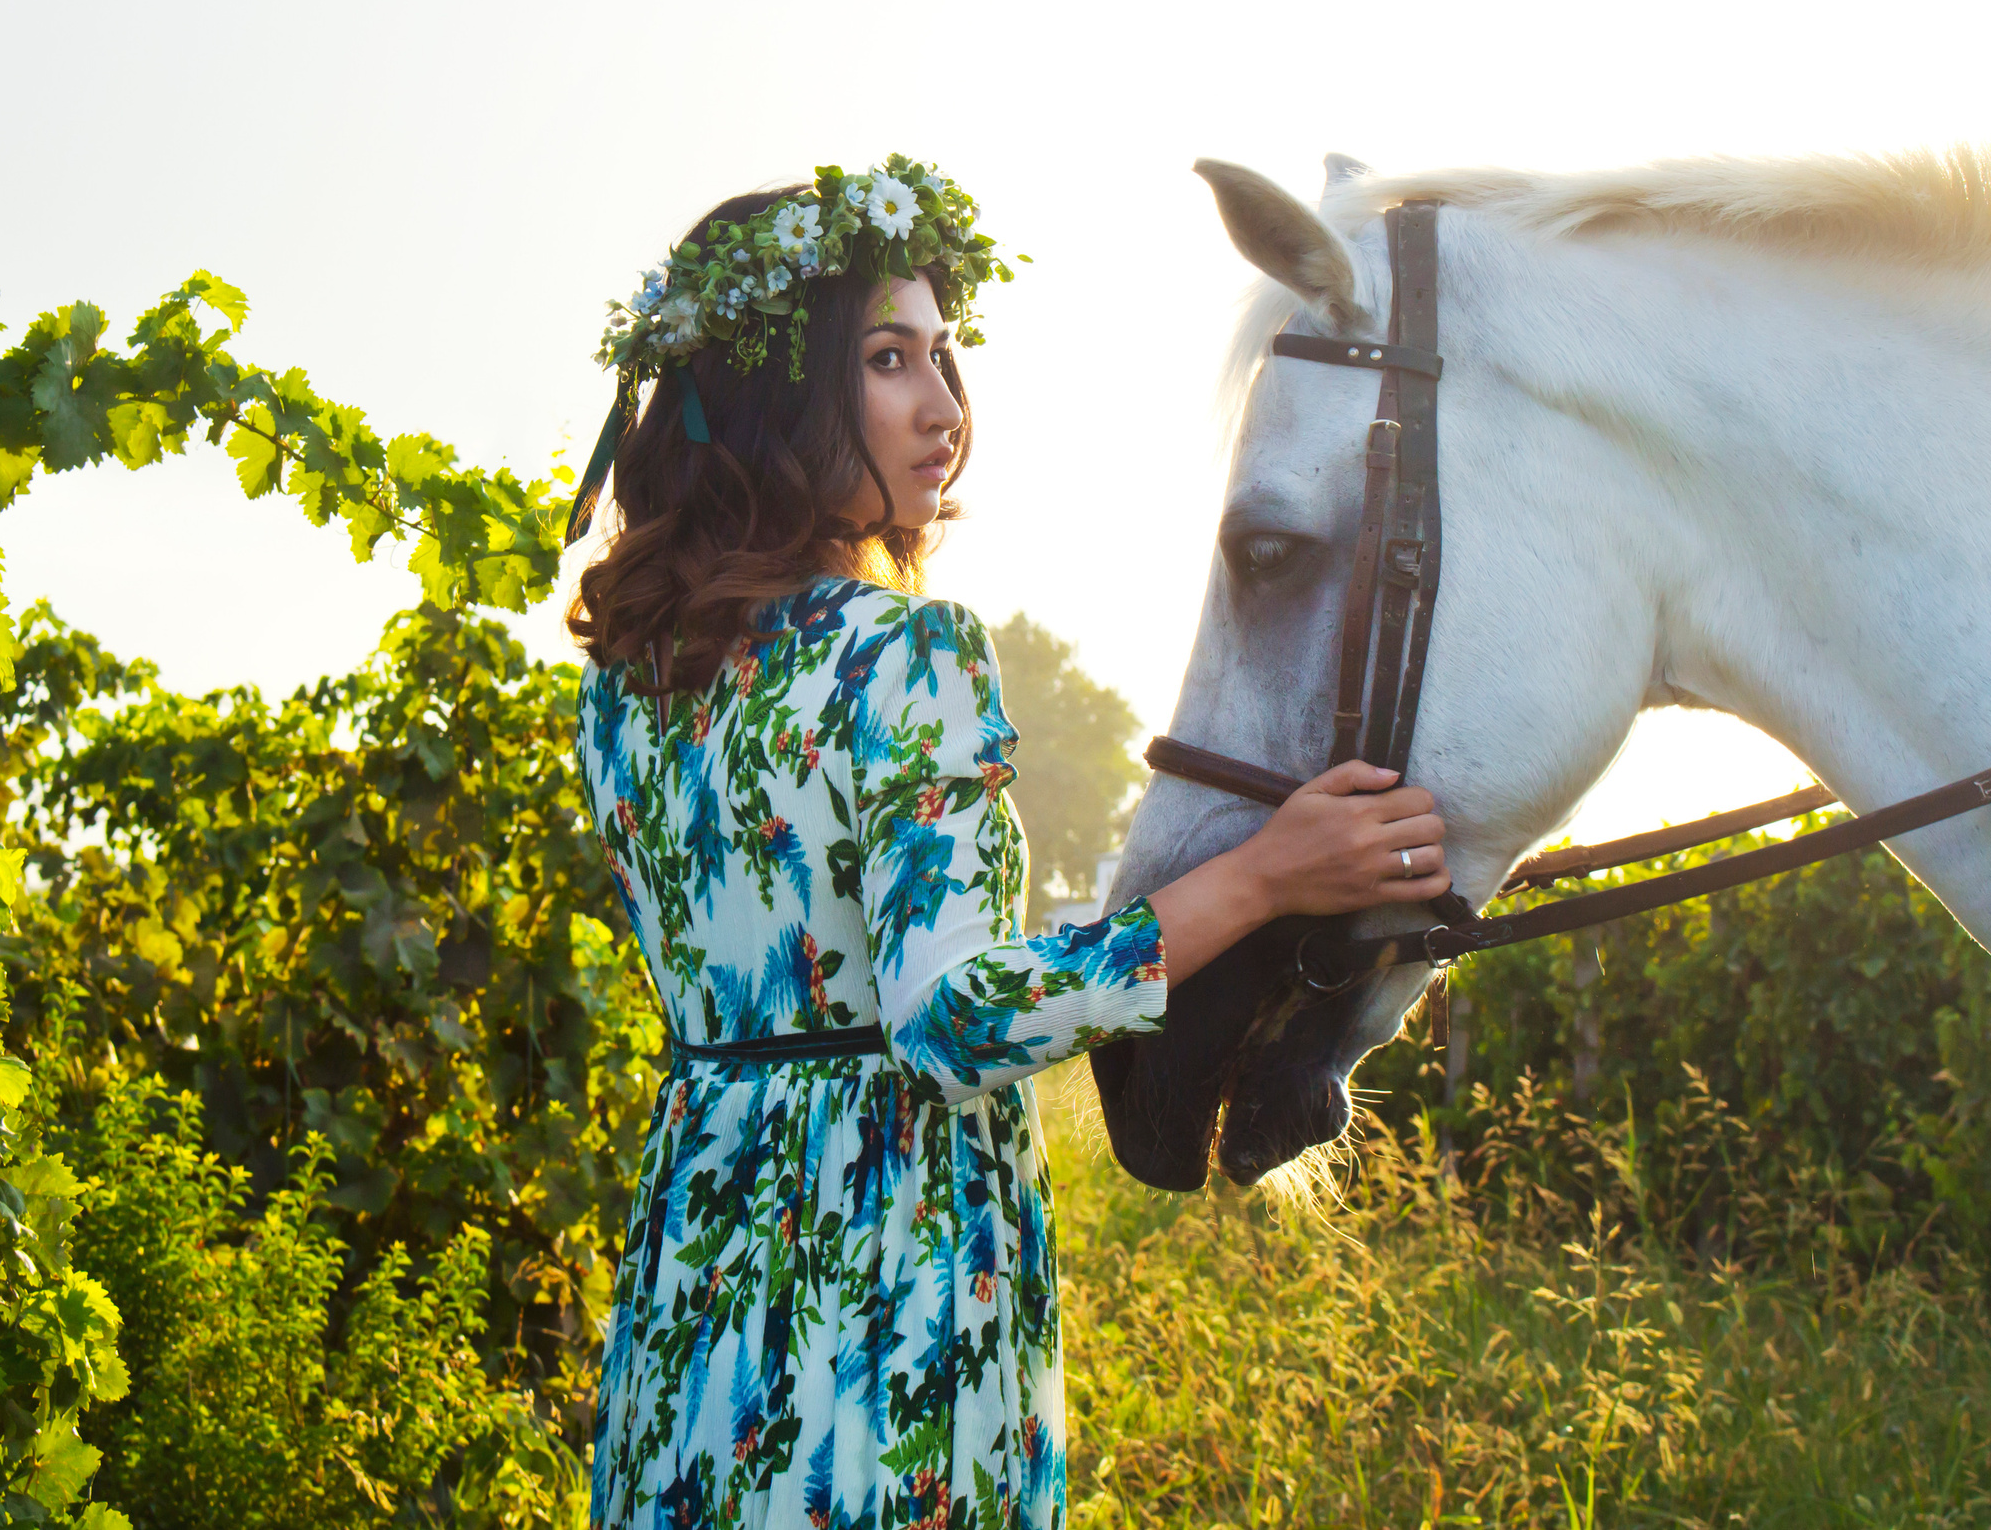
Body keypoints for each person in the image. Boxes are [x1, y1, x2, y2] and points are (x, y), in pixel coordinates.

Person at [562, 157, 1453, 1530]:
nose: (944, 408)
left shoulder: (626, 687)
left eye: (946, 358)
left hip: (704, 1273)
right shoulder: (903, 653)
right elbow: (960, 1014)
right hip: (888, 1283)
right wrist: (1267, 871)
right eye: (886, 360)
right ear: (779, 394)